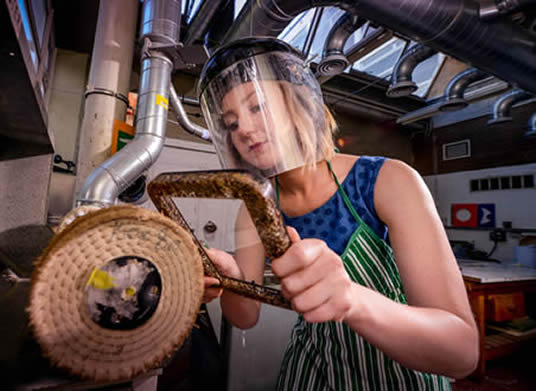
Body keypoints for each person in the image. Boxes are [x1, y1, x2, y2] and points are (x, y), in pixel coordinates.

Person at [197, 37, 479, 390]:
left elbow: (460, 352)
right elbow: (246, 317)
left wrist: (351, 300)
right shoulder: (255, 208)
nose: (245, 130)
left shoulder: (388, 180)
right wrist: (230, 280)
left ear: (299, 104)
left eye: (258, 107)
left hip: (400, 374)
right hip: (310, 372)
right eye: (232, 123)